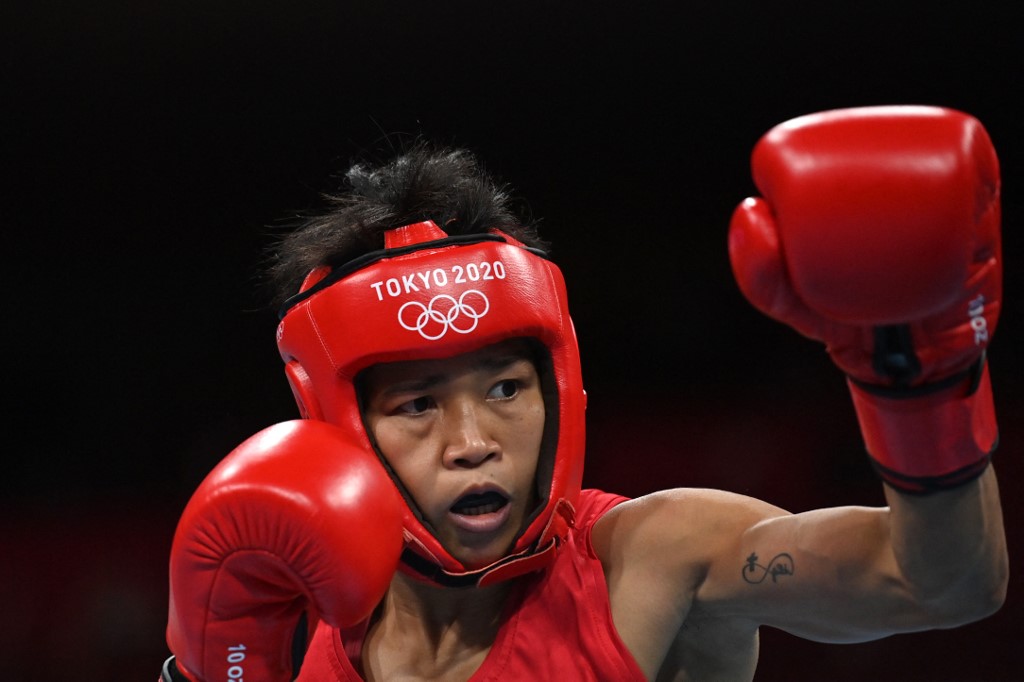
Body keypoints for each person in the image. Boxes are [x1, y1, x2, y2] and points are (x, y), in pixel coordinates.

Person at [161, 105, 1008, 681]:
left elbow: (938, 585)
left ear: (558, 390)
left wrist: (917, 382)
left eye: (504, 387)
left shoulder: (651, 560)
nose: (472, 440)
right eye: (418, 404)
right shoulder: (295, 612)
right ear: (346, 428)